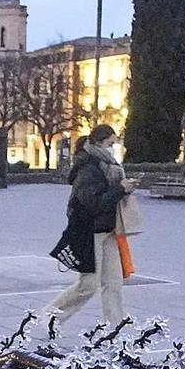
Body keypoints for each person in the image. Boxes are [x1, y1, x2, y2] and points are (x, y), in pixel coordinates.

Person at [47, 124, 133, 327]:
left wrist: (124, 188)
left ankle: (115, 327)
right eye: (111, 143)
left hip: (108, 229)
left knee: (114, 282)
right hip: (89, 230)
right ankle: (51, 316)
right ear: (99, 142)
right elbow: (92, 203)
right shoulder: (89, 166)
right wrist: (120, 189)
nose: (113, 147)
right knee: (89, 284)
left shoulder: (107, 164)